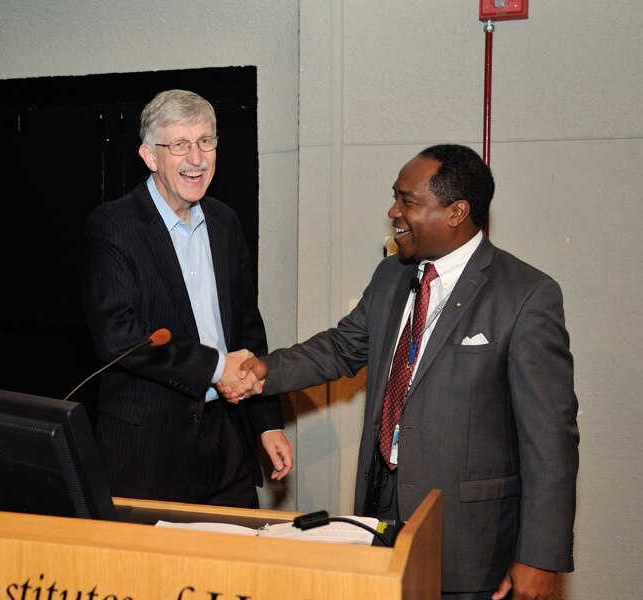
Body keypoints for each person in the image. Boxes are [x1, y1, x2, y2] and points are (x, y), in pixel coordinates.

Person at [227, 145, 579, 599]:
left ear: (457, 212)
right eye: (396, 197)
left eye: (407, 201)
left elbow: (550, 441)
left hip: (469, 542)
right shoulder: (392, 275)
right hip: (380, 516)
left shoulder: (527, 295)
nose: (394, 212)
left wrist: (539, 557)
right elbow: (341, 347)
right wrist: (265, 370)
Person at [80, 89, 293, 508]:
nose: (196, 158)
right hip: (147, 448)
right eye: (179, 144)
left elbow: (248, 329)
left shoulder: (225, 221)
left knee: (236, 568)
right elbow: (119, 336)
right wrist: (216, 368)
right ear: (149, 156)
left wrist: (266, 423)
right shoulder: (114, 225)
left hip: (228, 438)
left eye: (206, 141)